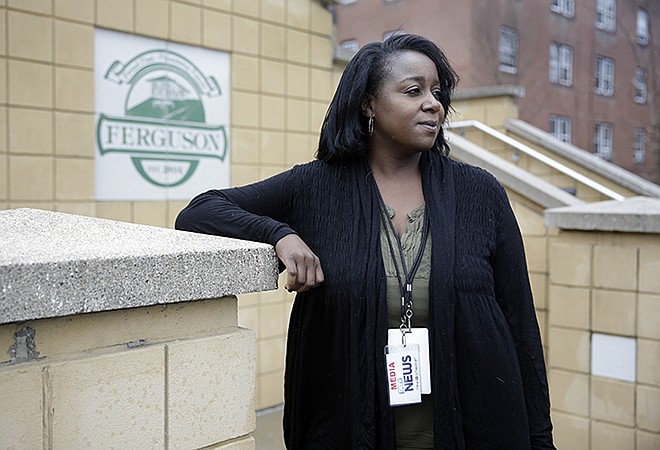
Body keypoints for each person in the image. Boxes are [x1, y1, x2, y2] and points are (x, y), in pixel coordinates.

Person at [176, 33, 555, 449]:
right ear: (368, 103)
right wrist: (279, 234)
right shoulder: (315, 187)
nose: (433, 104)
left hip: (473, 428)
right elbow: (200, 212)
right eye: (414, 91)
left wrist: (539, 438)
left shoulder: (479, 193)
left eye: (437, 92)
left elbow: (520, 325)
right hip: (351, 429)